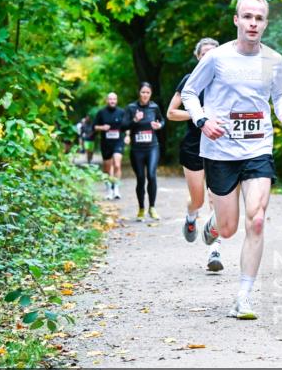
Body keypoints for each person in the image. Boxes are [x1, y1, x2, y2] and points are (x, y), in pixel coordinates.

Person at [181, 0, 282, 319]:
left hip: (258, 147)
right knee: (230, 229)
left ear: (265, 23)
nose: (253, 23)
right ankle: (216, 221)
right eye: (247, 17)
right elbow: (189, 92)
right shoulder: (217, 58)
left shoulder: (274, 60)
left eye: (259, 18)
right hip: (220, 150)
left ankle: (243, 297)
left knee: (257, 219)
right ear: (236, 20)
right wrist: (202, 120)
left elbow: (281, 93)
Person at [167, 37, 223, 272]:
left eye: (213, 54)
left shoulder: (225, 81)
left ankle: (214, 251)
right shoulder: (189, 81)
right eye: (204, 54)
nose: (208, 58)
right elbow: (171, 113)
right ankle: (191, 215)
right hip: (193, 146)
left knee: (216, 199)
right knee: (199, 200)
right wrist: (198, 114)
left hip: (219, 145)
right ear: (198, 57)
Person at [126, 82, 164, 220]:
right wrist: (135, 120)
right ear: (139, 93)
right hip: (137, 150)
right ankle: (141, 208)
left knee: (152, 176)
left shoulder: (154, 107)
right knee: (141, 179)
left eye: (148, 92)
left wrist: (159, 125)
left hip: (152, 147)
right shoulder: (131, 108)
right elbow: (123, 125)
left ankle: (152, 208)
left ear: (151, 94)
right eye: (143, 92)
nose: (145, 95)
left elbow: (162, 120)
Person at [93, 92, 129, 200]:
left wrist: (127, 136)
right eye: (110, 99)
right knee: (107, 167)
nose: (112, 101)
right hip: (106, 143)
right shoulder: (101, 113)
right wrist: (102, 128)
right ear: (107, 100)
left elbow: (127, 126)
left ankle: (116, 188)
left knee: (117, 164)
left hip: (118, 141)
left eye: (114, 99)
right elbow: (94, 127)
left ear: (116, 100)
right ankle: (109, 189)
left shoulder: (121, 112)